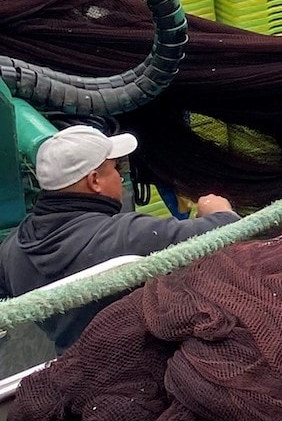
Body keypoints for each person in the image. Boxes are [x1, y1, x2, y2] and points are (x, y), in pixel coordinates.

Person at [0, 128, 236, 350]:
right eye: (116, 168)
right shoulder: (127, 235)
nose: (120, 177)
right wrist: (216, 209)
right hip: (148, 365)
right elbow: (228, 231)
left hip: (71, 366)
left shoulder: (11, 248)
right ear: (94, 181)